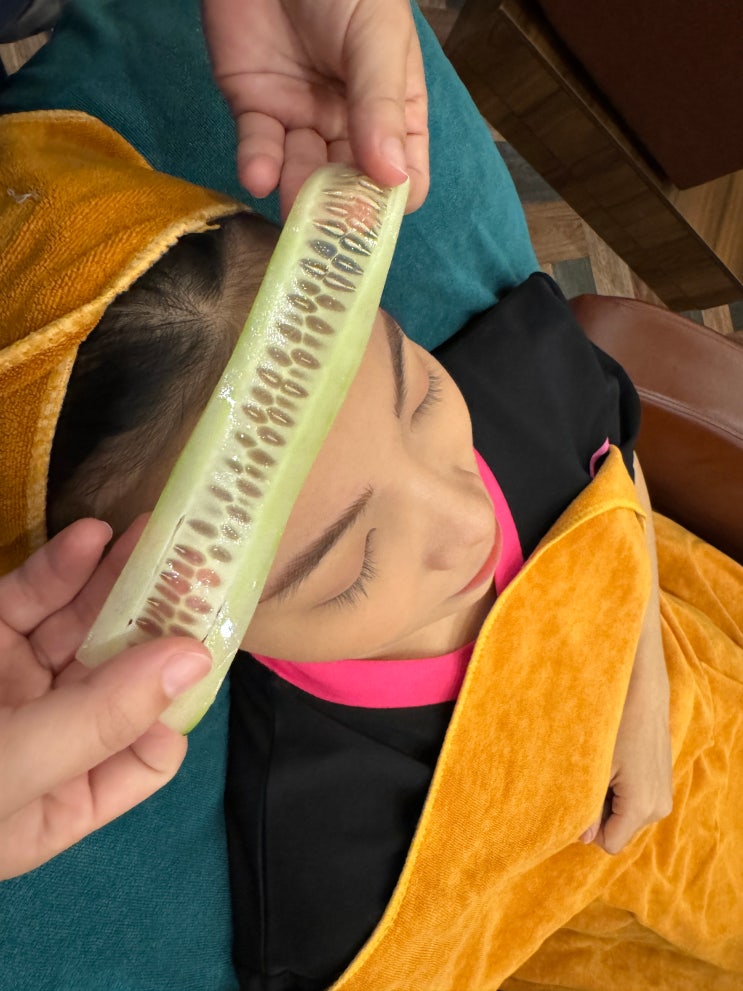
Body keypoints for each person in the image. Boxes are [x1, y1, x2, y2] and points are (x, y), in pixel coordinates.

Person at [2, 109, 742, 991]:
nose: (464, 519)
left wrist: (640, 677)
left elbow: (612, 447)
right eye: (348, 564)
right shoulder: (324, 858)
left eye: (418, 397)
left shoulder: (521, 378)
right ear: (180, 621)